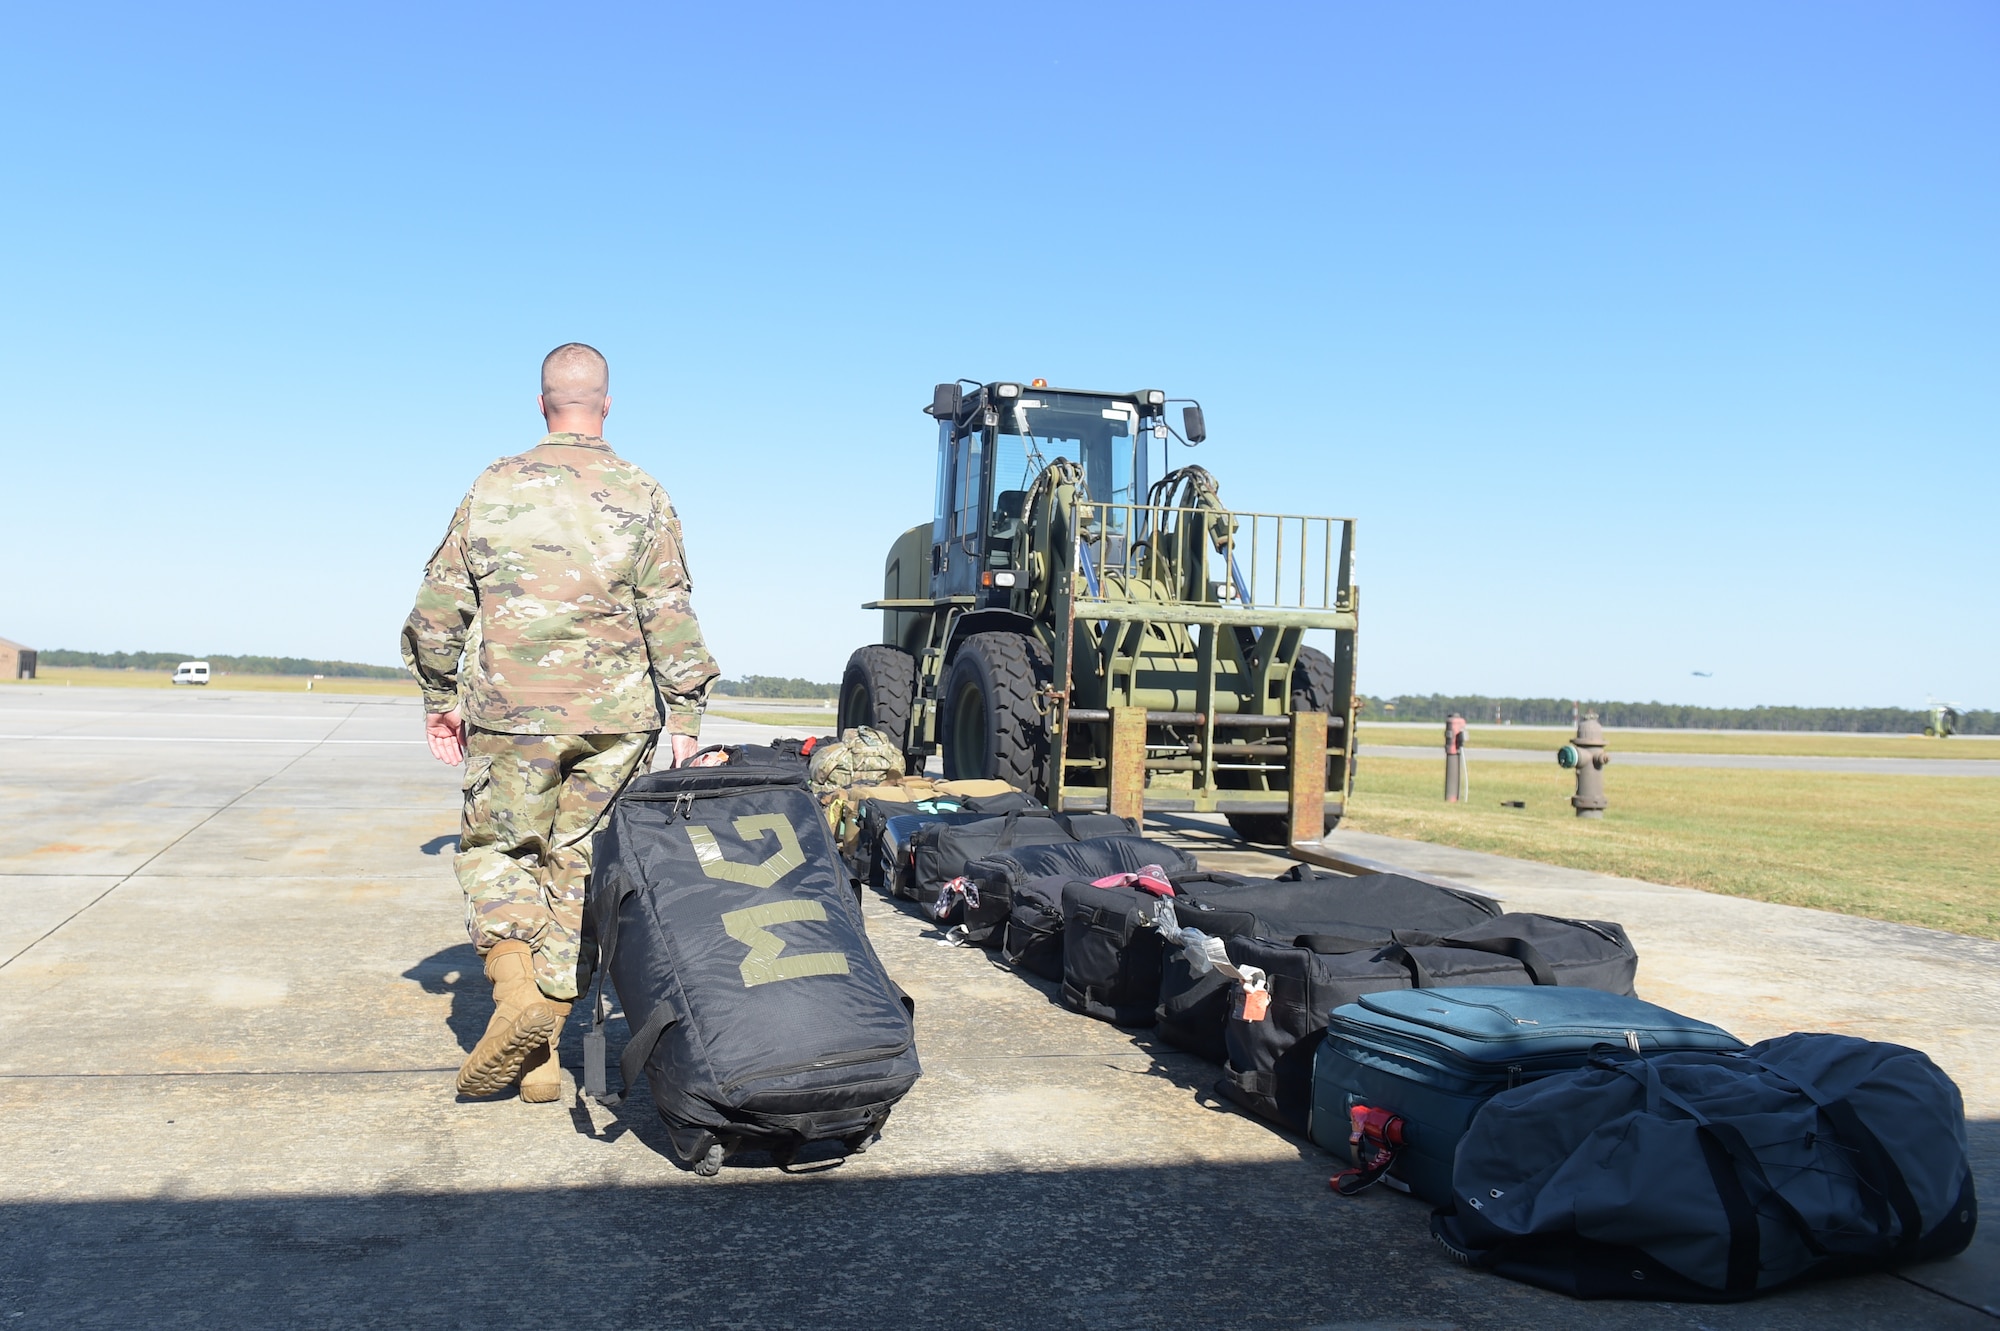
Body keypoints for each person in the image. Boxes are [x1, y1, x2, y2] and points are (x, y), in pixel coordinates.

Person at [401, 342, 719, 1103]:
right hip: (618, 721)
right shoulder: (642, 491)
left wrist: (440, 696)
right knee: (579, 870)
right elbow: (667, 610)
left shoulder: (495, 485)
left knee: (501, 856)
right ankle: (542, 1052)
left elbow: (439, 608)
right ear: (605, 405)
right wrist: (687, 712)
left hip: (514, 715)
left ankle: (517, 1007)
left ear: (542, 405)